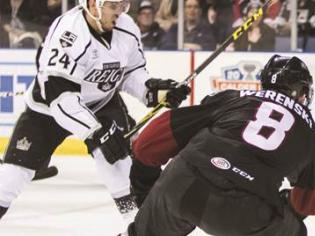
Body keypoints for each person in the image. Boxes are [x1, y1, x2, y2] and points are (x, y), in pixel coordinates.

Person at [0, 0, 190, 228]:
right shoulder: (68, 32)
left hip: (102, 103)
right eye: (113, 5)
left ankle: (140, 227)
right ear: (92, 5)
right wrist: (95, 131)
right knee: (12, 176)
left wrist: (154, 91)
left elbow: (131, 73)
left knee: (120, 165)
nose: (119, 12)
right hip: (48, 110)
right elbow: (61, 100)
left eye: (123, 5)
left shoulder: (127, 27)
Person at [127, 54, 315, 236]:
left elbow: (149, 143)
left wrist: (145, 184)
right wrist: (287, 202)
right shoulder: (309, 132)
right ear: (302, 91)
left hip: (183, 182)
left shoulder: (233, 98)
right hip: (244, 211)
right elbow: (310, 204)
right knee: (294, 231)